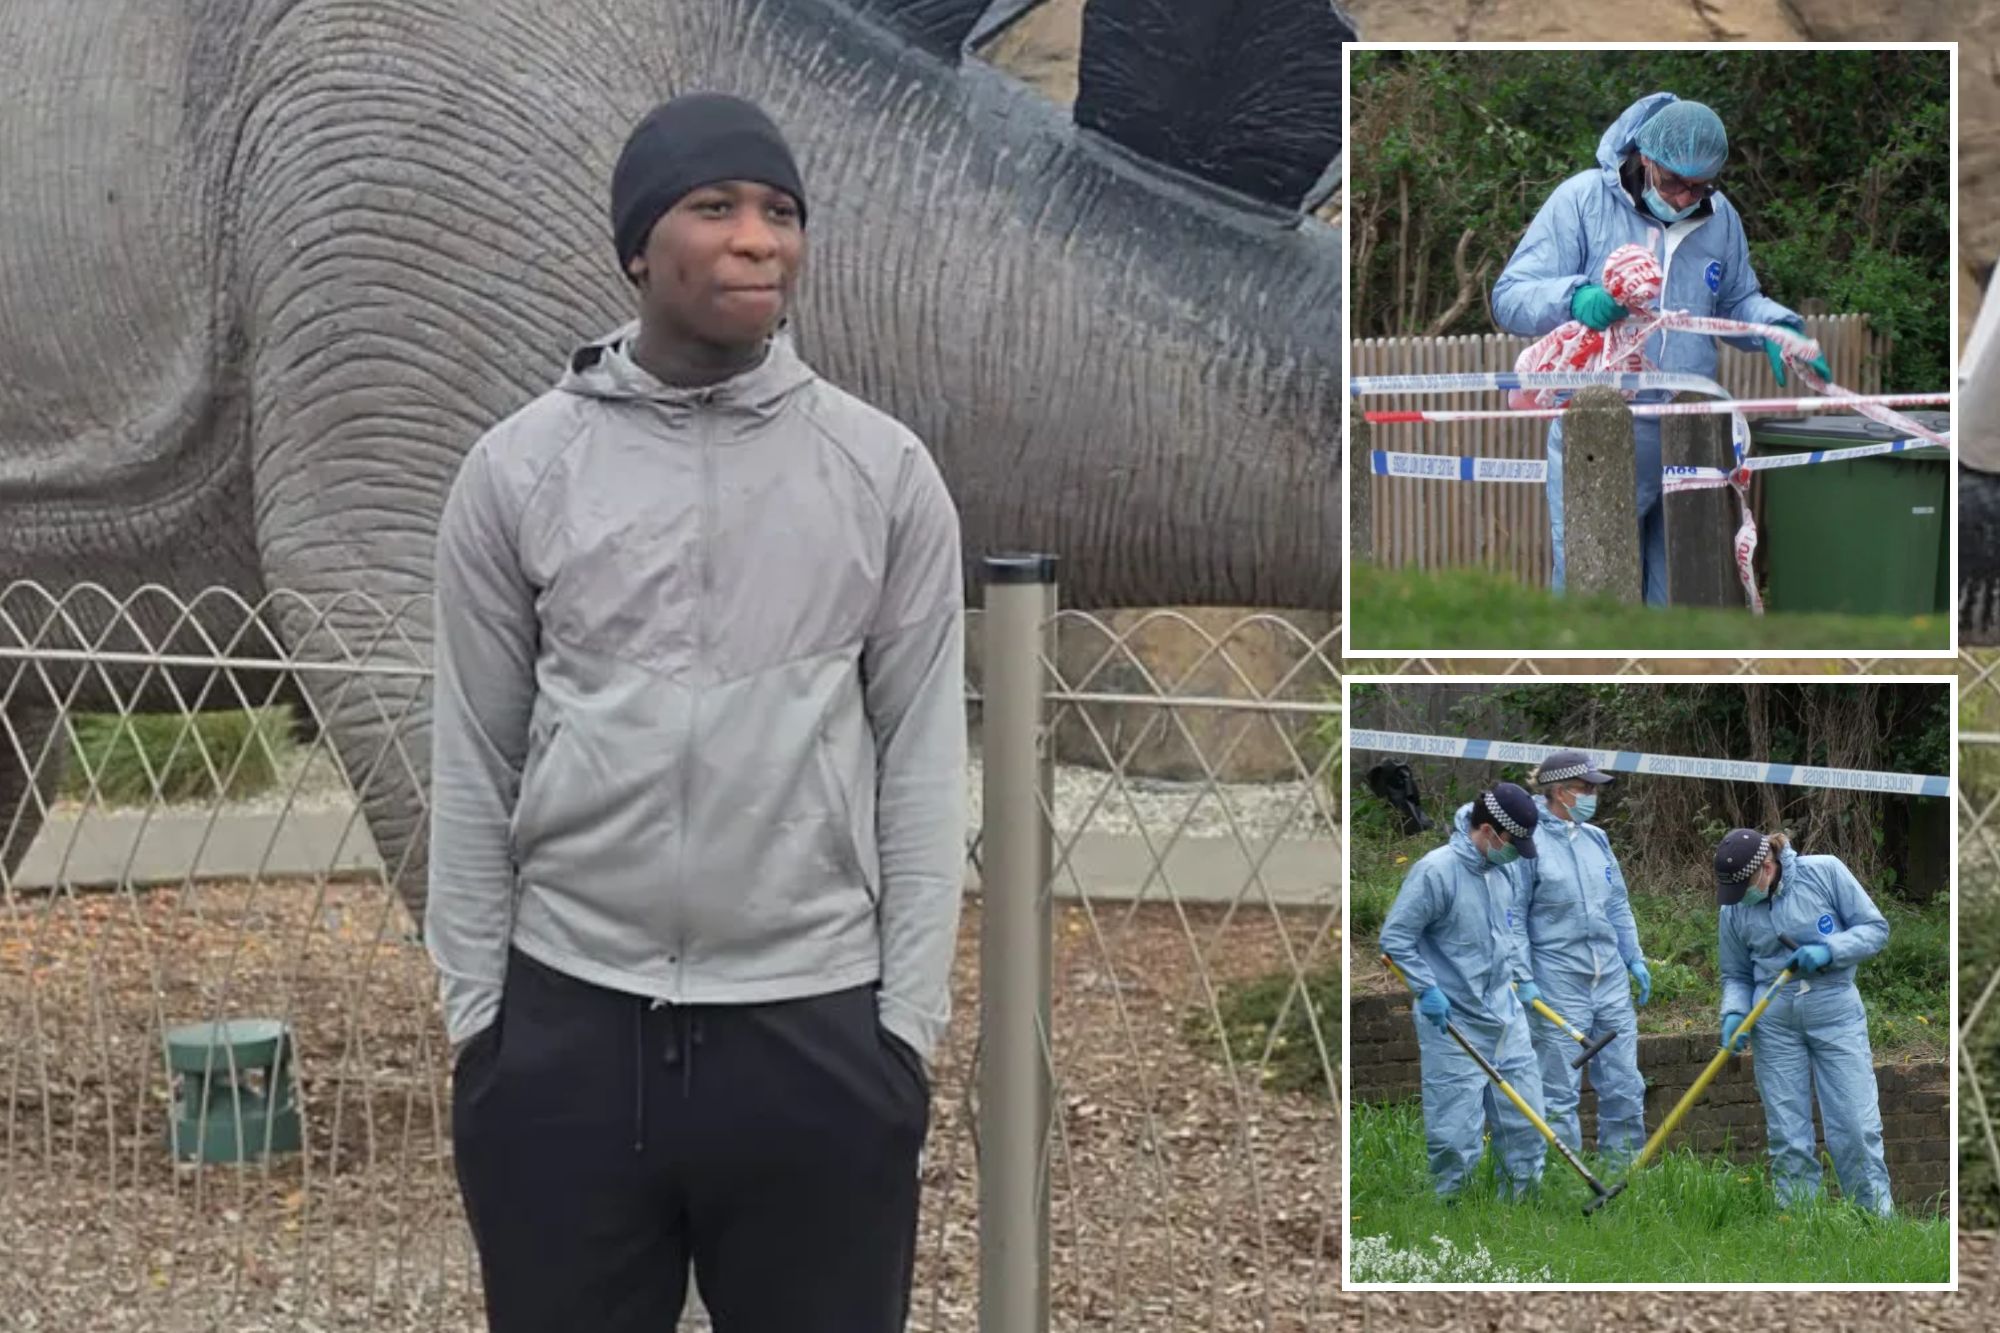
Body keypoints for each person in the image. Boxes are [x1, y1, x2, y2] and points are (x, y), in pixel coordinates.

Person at [424, 92, 968, 1332]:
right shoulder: (516, 471)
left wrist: (902, 1040)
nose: (757, 239)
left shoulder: (882, 473)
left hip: (815, 1037)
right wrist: (482, 1026)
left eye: (780, 211)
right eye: (713, 206)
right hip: (566, 1033)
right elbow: (474, 753)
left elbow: (925, 761)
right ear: (635, 249)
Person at [1491, 94, 1828, 606]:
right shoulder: (1583, 200)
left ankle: (1668, 683)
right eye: (1673, 181)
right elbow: (1510, 295)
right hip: (1602, 429)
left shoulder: (1720, 219)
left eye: (1699, 185)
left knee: (1682, 592)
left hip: (1689, 433)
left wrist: (1779, 329)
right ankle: (1586, 684)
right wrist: (1575, 297)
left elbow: (1738, 302)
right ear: (1646, 158)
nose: (1683, 196)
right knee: (1595, 592)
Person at [1379, 782, 1547, 1201]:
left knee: (1527, 1121)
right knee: (1456, 1132)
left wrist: (1522, 978)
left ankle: (1521, 1208)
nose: (1517, 853)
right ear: (1489, 831)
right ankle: (1454, 1213)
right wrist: (1426, 989)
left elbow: (1509, 932)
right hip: (1453, 1020)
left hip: (1505, 1016)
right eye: (1514, 843)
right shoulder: (1436, 871)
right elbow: (1396, 939)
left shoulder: (1503, 870)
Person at [1714, 828, 1893, 1216]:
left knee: (1855, 1128)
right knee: (1787, 1135)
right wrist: (1732, 1012)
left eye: (1744, 886)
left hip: (1836, 1013)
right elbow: (1736, 975)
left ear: (1766, 866)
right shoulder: (1734, 908)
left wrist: (1829, 950)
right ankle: (1801, 1228)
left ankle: (1875, 1222)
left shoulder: (1824, 873)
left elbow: (1875, 931)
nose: (1740, 898)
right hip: (1774, 1025)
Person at [1517, 750, 1649, 1166]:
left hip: (1608, 980)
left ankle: (1623, 1176)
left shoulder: (1596, 838)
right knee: (1558, 1089)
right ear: (1559, 791)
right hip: (1557, 981)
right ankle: (1564, 1180)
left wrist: (1634, 958)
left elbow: (1618, 905)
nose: (1594, 794)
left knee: (1625, 1084)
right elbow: (1513, 916)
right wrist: (1523, 976)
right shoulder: (1528, 843)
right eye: (1586, 788)